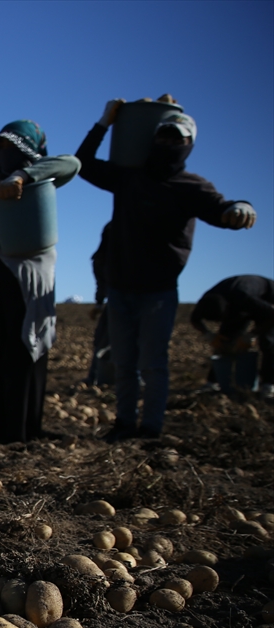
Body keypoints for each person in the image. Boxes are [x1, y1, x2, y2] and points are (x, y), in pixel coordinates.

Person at [76, 99, 257, 441]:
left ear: (189, 145)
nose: (170, 144)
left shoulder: (192, 187)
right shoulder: (129, 178)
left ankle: (151, 429)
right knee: (124, 363)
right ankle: (124, 424)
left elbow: (223, 210)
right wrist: (104, 123)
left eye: (178, 139)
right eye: (164, 136)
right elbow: (82, 164)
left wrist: (241, 207)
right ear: (153, 139)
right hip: (120, 288)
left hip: (158, 292)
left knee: (153, 364)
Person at [0, 120, 80, 444]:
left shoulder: (39, 182)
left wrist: (21, 177)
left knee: (23, 349)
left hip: (26, 278)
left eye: (11, 147)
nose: (4, 154)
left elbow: (71, 163)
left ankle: (23, 433)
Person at [190, 275, 274, 399]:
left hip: (265, 298)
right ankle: (212, 383)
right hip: (237, 303)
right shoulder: (207, 301)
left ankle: (269, 385)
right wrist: (208, 334)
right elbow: (194, 319)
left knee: (269, 343)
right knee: (225, 341)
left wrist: (252, 334)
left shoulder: (245, 297)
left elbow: (271, 316)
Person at [86, 223, 115, 387]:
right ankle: (99, 377)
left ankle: (98, 377)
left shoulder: (101, 258)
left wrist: (98, 303)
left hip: (116, 300)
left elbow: (101, 283)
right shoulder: (105, 258)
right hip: (121, 298)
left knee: (104, 339)